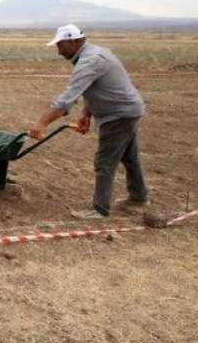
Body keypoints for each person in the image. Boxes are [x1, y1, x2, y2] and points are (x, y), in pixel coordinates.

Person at [29, 24, 148, 219]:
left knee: (104, 162)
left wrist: (41, 123)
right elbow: (95, 88)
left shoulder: (90, 61)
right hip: (127, 110)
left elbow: (67, 98)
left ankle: (99, 209)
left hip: (118, 114)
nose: (59, 52)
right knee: (129, 156)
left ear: (75, 42)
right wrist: (87, 113)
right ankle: (138, 197)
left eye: (61, 45)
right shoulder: (93, 54)